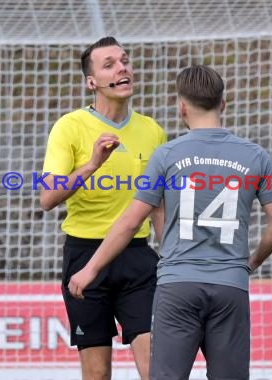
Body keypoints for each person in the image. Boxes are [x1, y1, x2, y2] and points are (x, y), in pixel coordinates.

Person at [68, 64, 272, 380]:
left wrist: (90, 268)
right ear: (223, 104)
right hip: (230, 286)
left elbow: (131, 222)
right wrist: (250, 263)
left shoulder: (167, 155)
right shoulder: (255, 156)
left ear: (181, 107)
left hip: (178, 286)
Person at [39, 36, 167, 380]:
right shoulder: (70, 126)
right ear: (91, 81)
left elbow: (157, 206)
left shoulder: (152, 131)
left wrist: (173, 256)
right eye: (109, 64)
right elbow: (48, 198)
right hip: (84, 256)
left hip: (138, 259)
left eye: (124, 60)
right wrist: (92, 164)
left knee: (157, 368)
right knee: (96, 373)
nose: (122, 67)